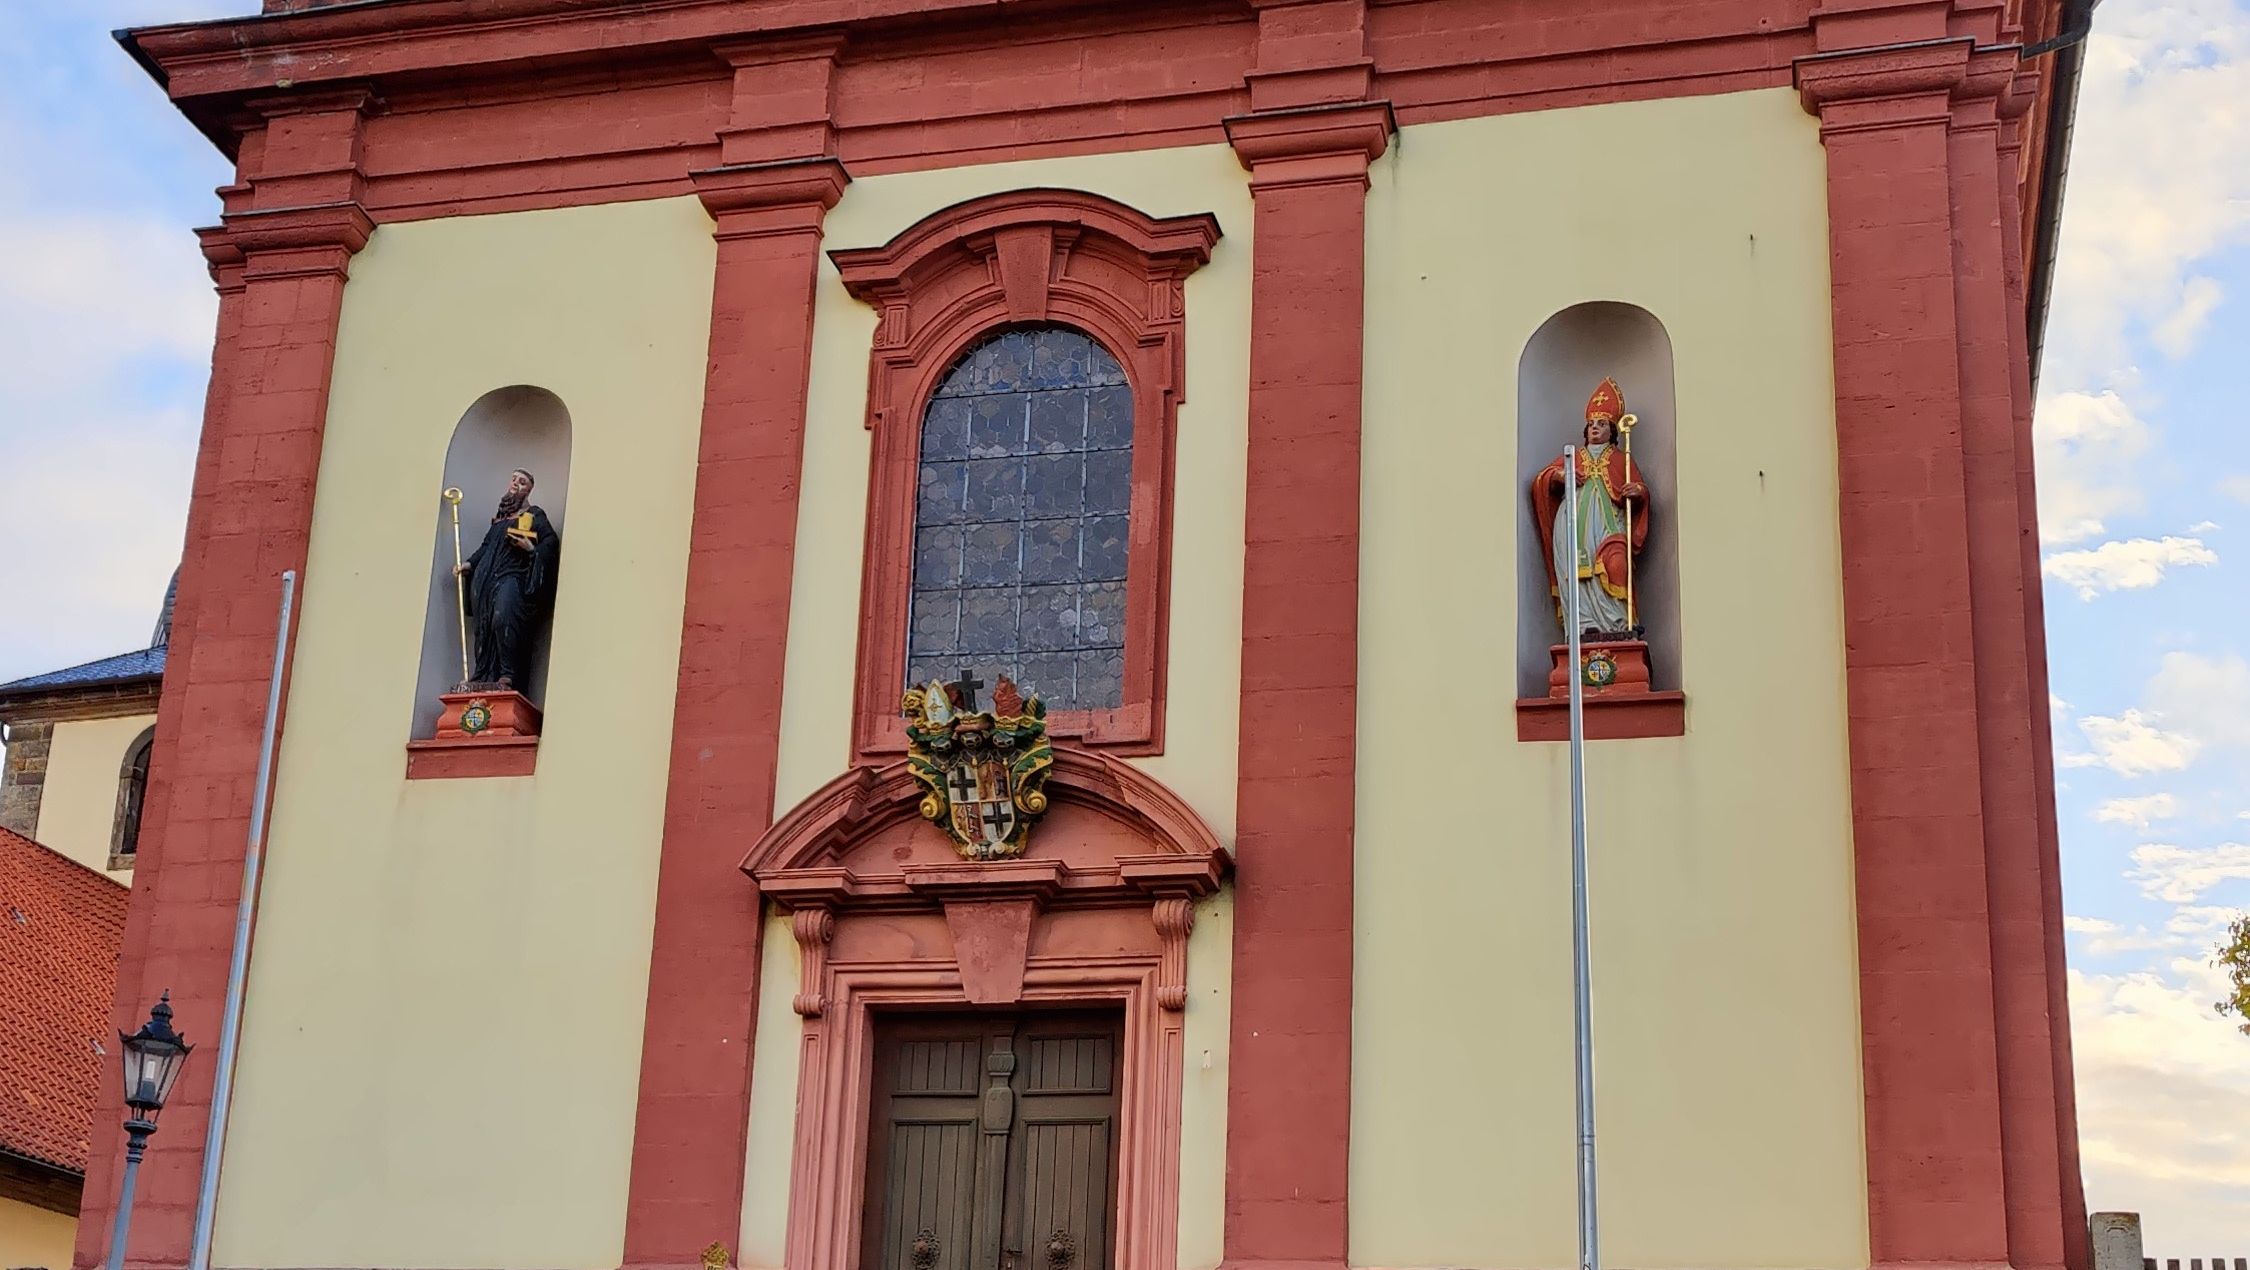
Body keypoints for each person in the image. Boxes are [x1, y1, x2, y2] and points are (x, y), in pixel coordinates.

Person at [1529, 377, 1650, 639]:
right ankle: (1583, 625)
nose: (1595, 428)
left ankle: (1617, 623)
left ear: (1612, 430)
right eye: (1592, 424)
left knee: (1615, 562)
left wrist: (1636, 492)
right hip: (1573, 523)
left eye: (1602, 424)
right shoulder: (1574, 455)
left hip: (1609, 524)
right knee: (1576, 572)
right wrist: (1560, 476)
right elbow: (1543, 479)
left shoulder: (1620, 458)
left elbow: (1639, 488)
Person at [454, 468, 561, 689]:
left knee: (503, 618)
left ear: (529, 489)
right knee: (485, 626)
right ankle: (483, 674)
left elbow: (549, 543)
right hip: (486, 579)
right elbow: (486, 547)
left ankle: (508, 674)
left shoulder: (534, 514)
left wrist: (532, 549)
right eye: (513, 480)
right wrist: (469, 564)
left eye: (522, 482)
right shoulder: (500, 520)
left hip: (512, 575)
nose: (515, 484)